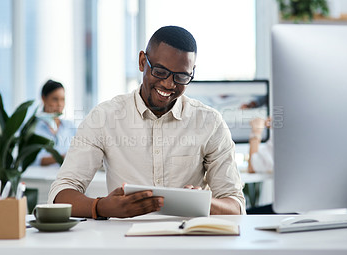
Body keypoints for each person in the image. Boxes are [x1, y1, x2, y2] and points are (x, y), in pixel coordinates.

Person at [48, 26, 246, 219]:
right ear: (143, 61)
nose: (169, 84)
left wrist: (202, 203)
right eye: (160, 71)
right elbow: (60, 194)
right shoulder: (104, 117)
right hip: (123, 242)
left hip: (187, 241)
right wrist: (100, 207)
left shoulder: (209, 123)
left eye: (181, 77)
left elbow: (236, 206)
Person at [34, 80, 76, 166]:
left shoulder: (70, 126)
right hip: (39, 178)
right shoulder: (33, 128)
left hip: (67, 177)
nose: (59, 104)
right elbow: (32, 160)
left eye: (62, 99)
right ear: (43, 98)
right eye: (55, 99)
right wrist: (61, 158)